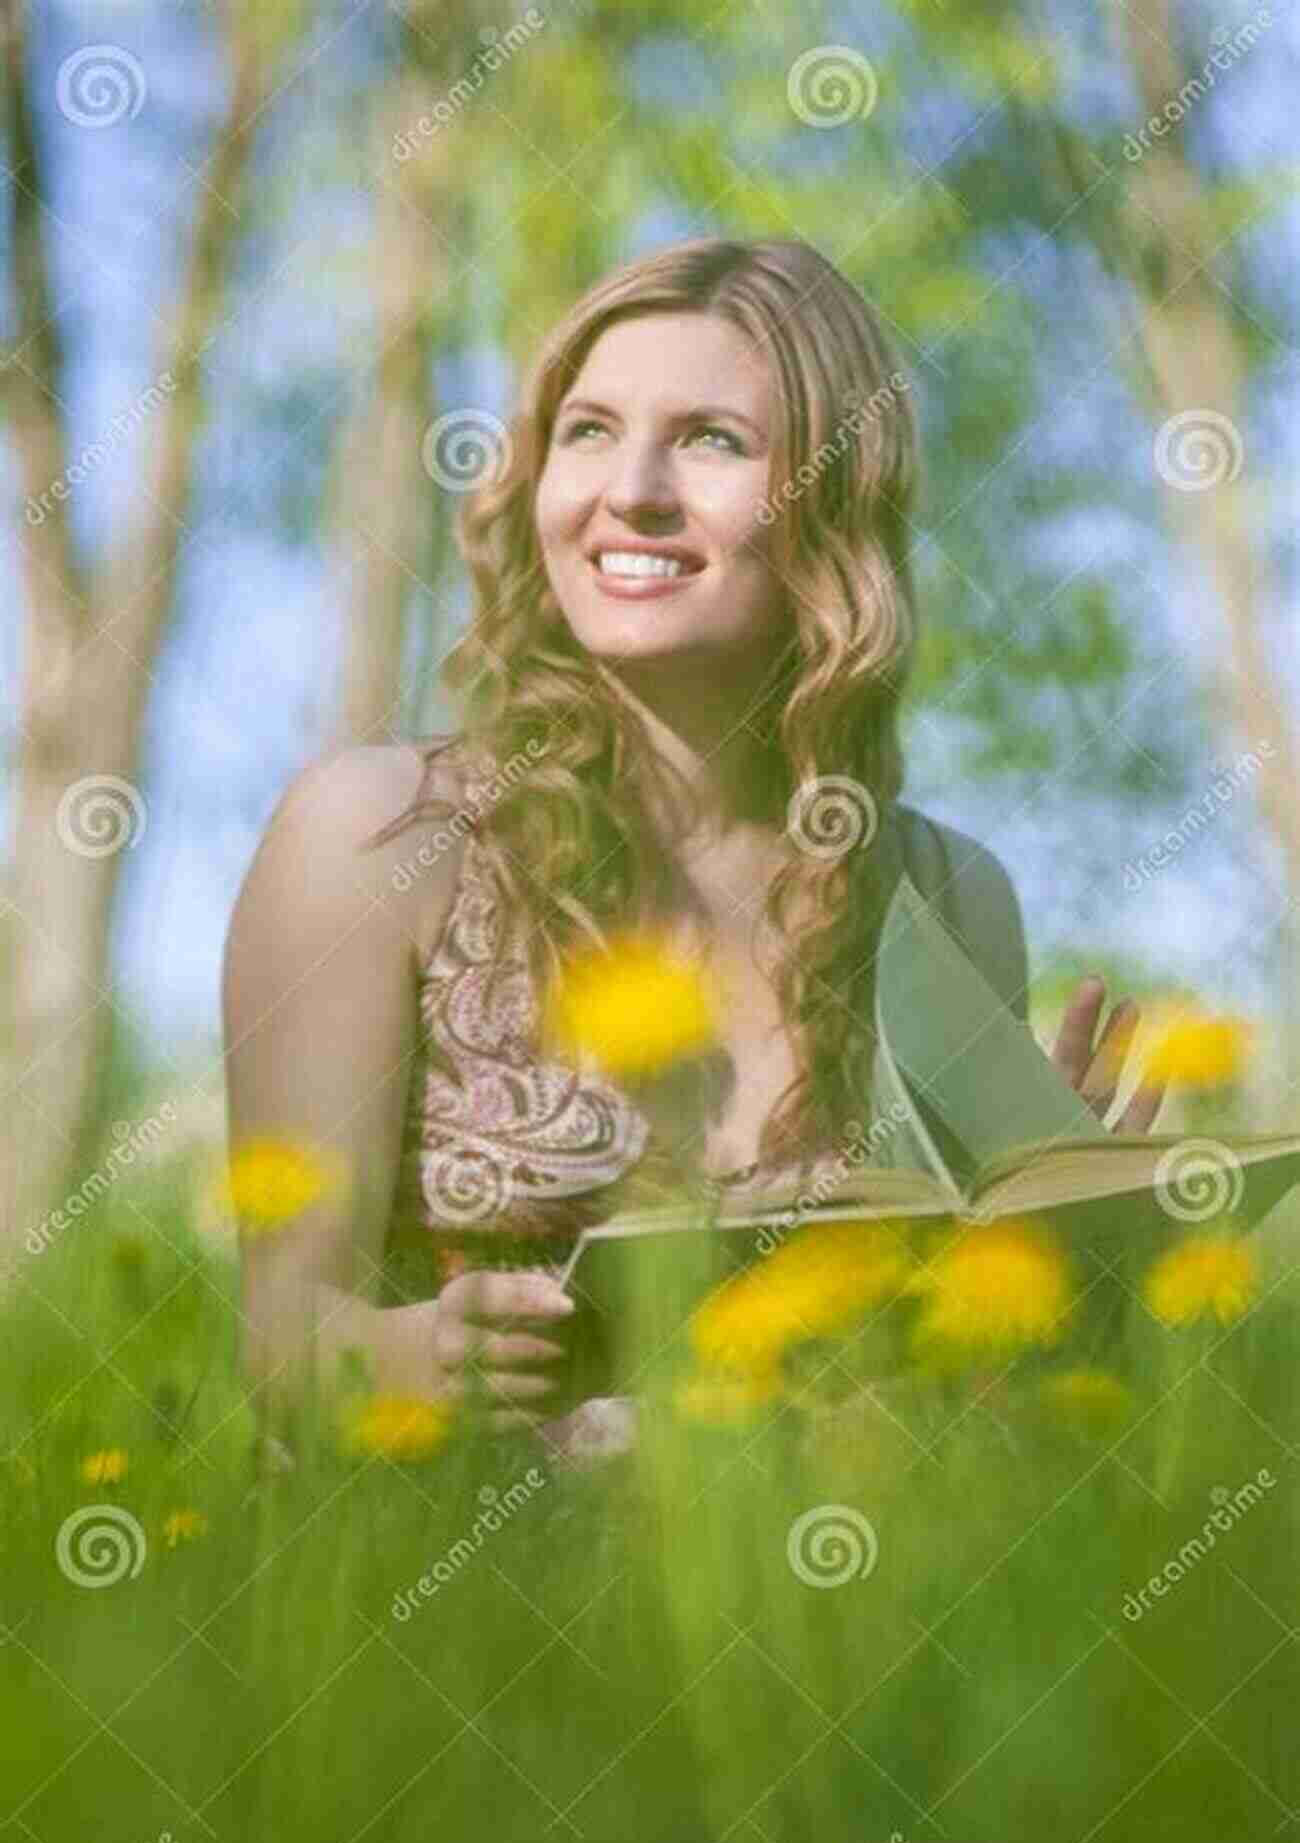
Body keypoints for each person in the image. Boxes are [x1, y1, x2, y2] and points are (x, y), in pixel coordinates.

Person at [221, 236, 1165, 1470]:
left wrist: (1065, 1260)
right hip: (451, 1625)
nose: (632, 490)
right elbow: (283, 1337)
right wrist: (418, 1358)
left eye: (712, 439)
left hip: (827, 1631)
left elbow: (958, 1402)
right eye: (590, 431)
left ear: (834, 497)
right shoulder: (374, 837)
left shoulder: (942, 898)